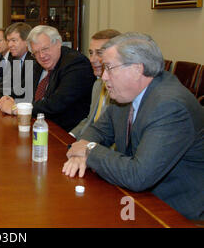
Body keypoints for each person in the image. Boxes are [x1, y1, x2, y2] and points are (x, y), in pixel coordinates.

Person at [63, 32, 204, 221]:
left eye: (110, 68)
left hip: (173, 212)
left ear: (137, 69)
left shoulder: (170, 106)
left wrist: (88, 150)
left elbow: (138, 176)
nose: (104, 76)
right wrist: (81, 151)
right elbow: (98, 130)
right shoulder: (126, 94)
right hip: (135, 198)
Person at [0, 25, 95, 132]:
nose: (42, 56)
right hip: (38, 126)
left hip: (64, 133)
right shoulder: (40, 64)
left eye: (45, 49)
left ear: (58, 43)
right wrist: (7, 99)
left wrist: (16, 108)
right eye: (36, 52)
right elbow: (23, 89)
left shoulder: (75, 63)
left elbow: (56, 104)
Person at [70, 29, 121, 138]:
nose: (92, 59)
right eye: (91, 53)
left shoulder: (123, 91)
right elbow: (90, 120)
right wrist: (70, 136)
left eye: (99, 53)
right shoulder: (98, 84)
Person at [0, 22, 34, 98]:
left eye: (14, 40)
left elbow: (23, 91)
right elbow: (9, 82)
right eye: (8, 41)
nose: (10, 45)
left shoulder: (33, 60)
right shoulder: (16, 58)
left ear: (27, 42)